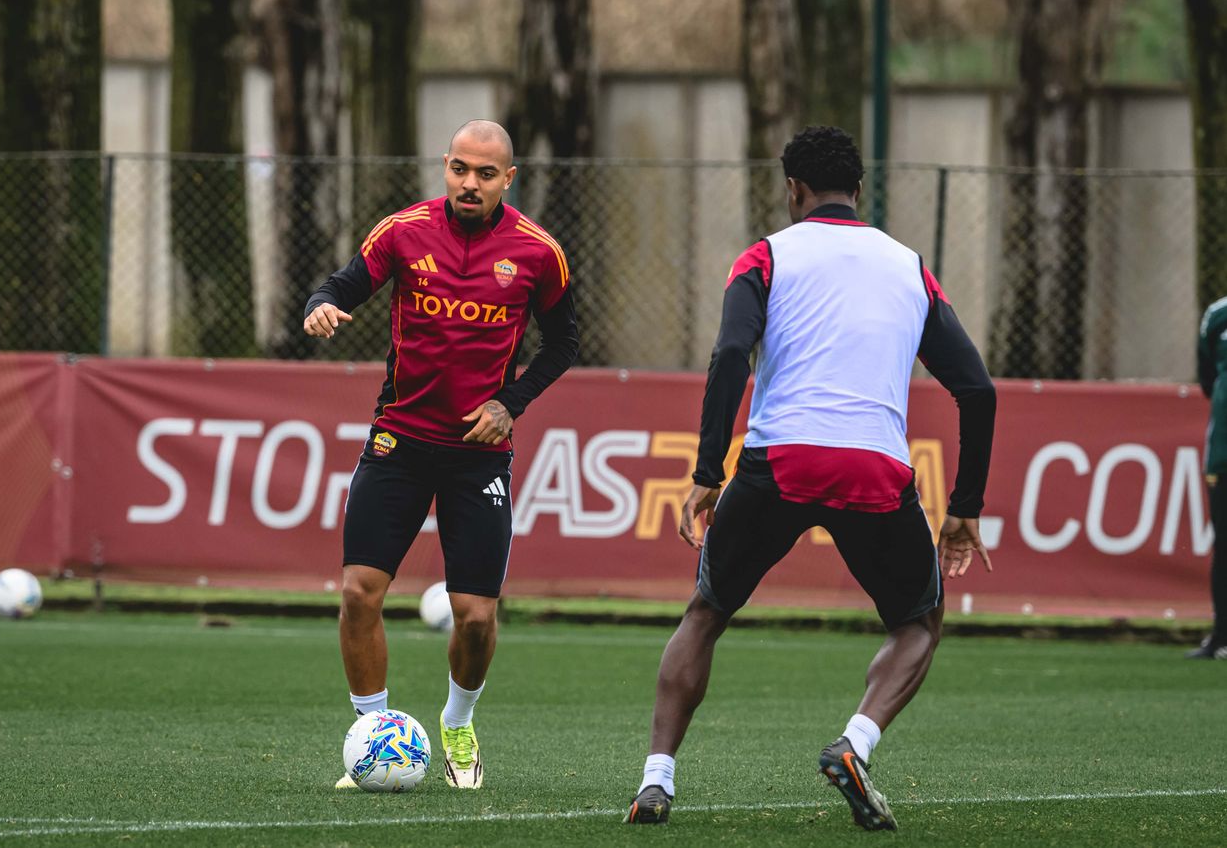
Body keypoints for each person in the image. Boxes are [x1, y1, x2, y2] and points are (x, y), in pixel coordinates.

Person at [624, 126, 996, 829]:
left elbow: (731, 353)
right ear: (858, 190)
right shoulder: (908, 266)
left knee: (706, 614)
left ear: (792, 190)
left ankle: (656, 781)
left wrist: (708, 472)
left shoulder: (766, 254)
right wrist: (963, 507)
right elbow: (976, 390)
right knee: (918, 624)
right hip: (874, 469)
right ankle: (854, 744)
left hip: (777, 463)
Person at [304, 120, 579, 789]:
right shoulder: (402, 230)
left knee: (476, 617)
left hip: (477, 456)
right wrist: (320, 306)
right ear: (445, 167)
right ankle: (373, 733)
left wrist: (508, 404)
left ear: (507, 180)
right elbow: (341, 285)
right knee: (357, 593)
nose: (469, 183)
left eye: (485, 174)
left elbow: (564, 344)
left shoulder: (538, 253)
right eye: (459, 168)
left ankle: (458, 722)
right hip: (398, 440)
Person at [1190, 299, 1227, 659]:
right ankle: (1222, 637)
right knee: (1224, 544)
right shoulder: (1218, 316)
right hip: (1224, 451)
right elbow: (1207, 379)